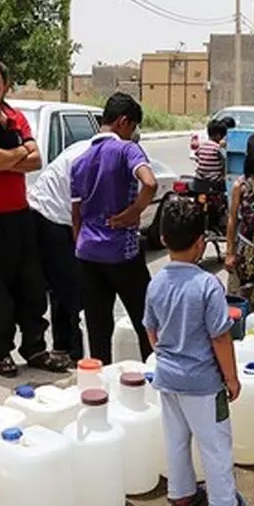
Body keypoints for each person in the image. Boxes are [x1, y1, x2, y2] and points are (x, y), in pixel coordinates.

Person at [0, 59, 69, 376]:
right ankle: (1, 352)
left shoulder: (16, 118)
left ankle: (34, 348)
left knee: (31, 286)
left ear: (6, 85)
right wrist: (17, 152)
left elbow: (37, 161)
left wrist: (7, 156)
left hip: (19, 213)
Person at [144, 197, 247, 506]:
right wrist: (231, 379)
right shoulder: (207, 285)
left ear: (163, 240)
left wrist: (164, 355)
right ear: (202, 242)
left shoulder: (156, 282)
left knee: (175, 440)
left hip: (168, 378)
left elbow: (151, 330)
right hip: (203, 384)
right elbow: (220, 337)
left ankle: (182, 494)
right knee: (215, 443)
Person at [70, 92, 158, 364]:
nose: (133, 134)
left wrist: (80, 244)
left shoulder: (79, 160)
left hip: (87, 254)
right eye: (133, 128)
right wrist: (133, 213)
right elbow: (150, 183)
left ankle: (100, 390)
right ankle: (155, 382)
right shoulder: (126, 149)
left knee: (98, 331)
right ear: (123, 122)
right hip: (121, 252)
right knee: (147, 324)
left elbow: (76, 213)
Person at [26, 135, 92, 365]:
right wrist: (81, 243)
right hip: (51, 216)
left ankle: (64, 347)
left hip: (45, 210)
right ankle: (74, 351)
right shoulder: (93, 157)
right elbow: (79, 209)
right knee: (72, 286)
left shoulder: (86, 146)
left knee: (61, 286)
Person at [225, 132, 254, 310]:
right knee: (243, 298)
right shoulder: (241, 185)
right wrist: (230, 252)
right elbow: (232, 218)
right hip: (246, 249)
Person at [194, 118, 229, 185]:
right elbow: (225, 161)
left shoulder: (201, 145)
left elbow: (197, 158)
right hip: (214, 179)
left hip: (199, 178)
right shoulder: (217, 148)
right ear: (219, 136)